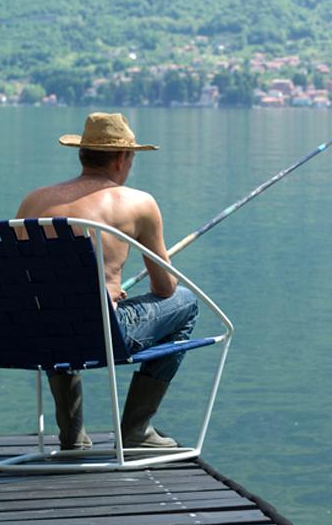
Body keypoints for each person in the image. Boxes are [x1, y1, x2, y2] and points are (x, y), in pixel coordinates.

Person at [15, 111, 198, 451]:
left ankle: (72, 434)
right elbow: (164, 289)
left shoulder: (34, 201)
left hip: (36, 333)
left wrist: (103, 288)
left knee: (56, 308)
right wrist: (109, 292)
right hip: (102, 333)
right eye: (131, 158)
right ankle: (136, 429)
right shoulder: (138, 203)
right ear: (121, 159)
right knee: (186, 302)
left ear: (83, 153)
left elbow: (29, 281)